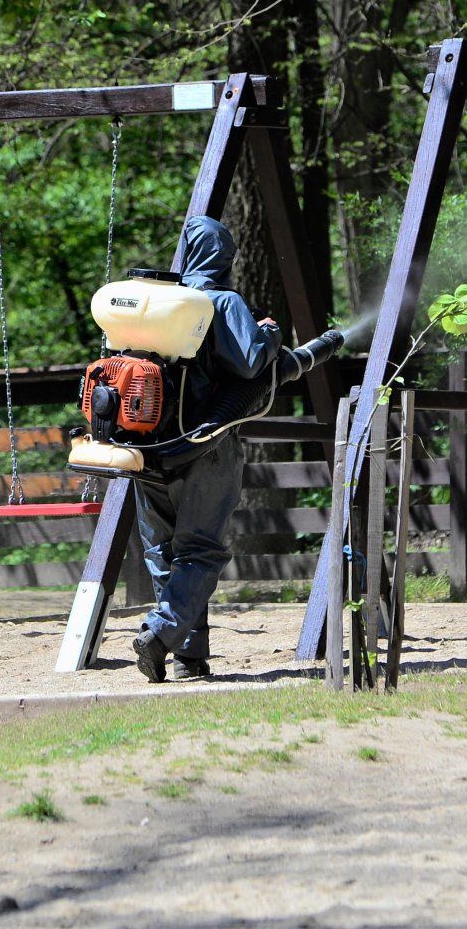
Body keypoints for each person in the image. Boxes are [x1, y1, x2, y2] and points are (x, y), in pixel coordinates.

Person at [131, 216, 280, 682]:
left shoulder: (156, 301)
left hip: (147, 448)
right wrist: (269, 331)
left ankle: (188, 658)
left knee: (163, 553)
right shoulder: (222, 301)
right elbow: (251, 361)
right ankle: (161, 634)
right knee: (201, 552)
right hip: (205, 447)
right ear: (226, 257)